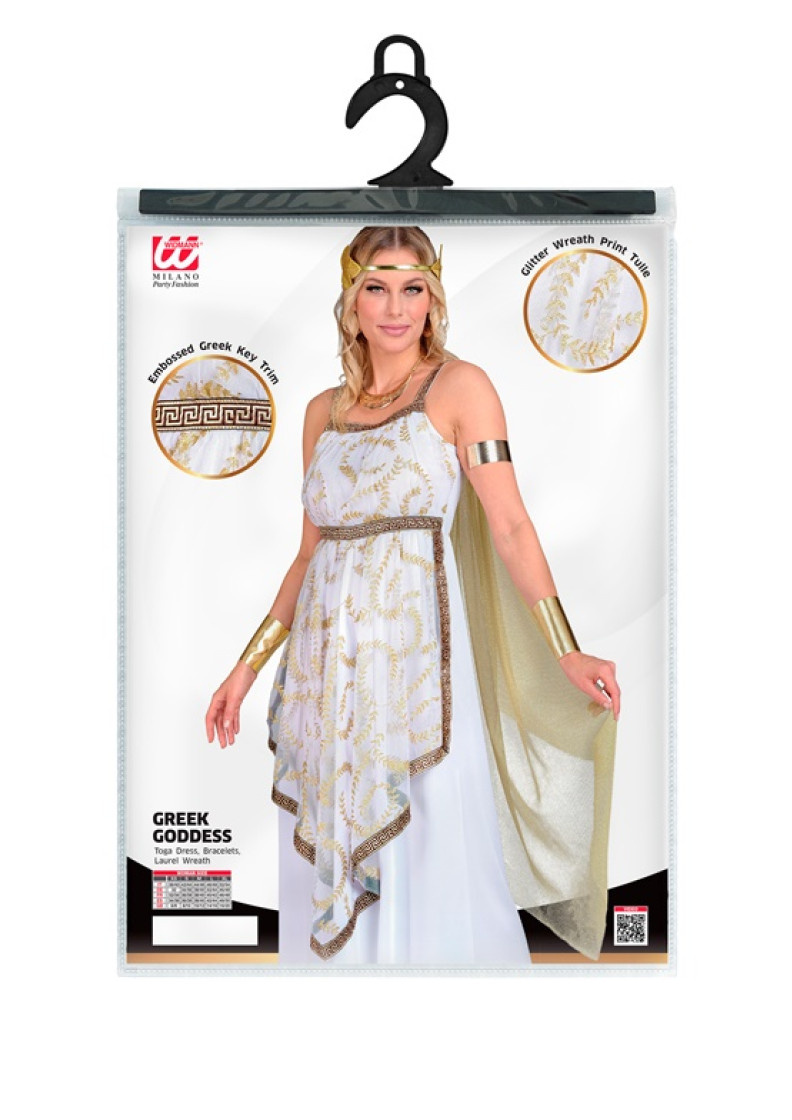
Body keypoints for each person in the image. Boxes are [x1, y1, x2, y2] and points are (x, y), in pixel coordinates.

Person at [204, 225, 620, 964]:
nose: (396, 308)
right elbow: (308, 555)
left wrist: (567, 648)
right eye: (376, 287)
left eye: (412, 288)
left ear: (433, 297)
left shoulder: (461, 388)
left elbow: (511, 526)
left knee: (426, 832)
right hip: (324, 676)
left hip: (417, 669)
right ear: (351, 300)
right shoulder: (321, 413)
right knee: (330, 828)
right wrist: (246, 667)